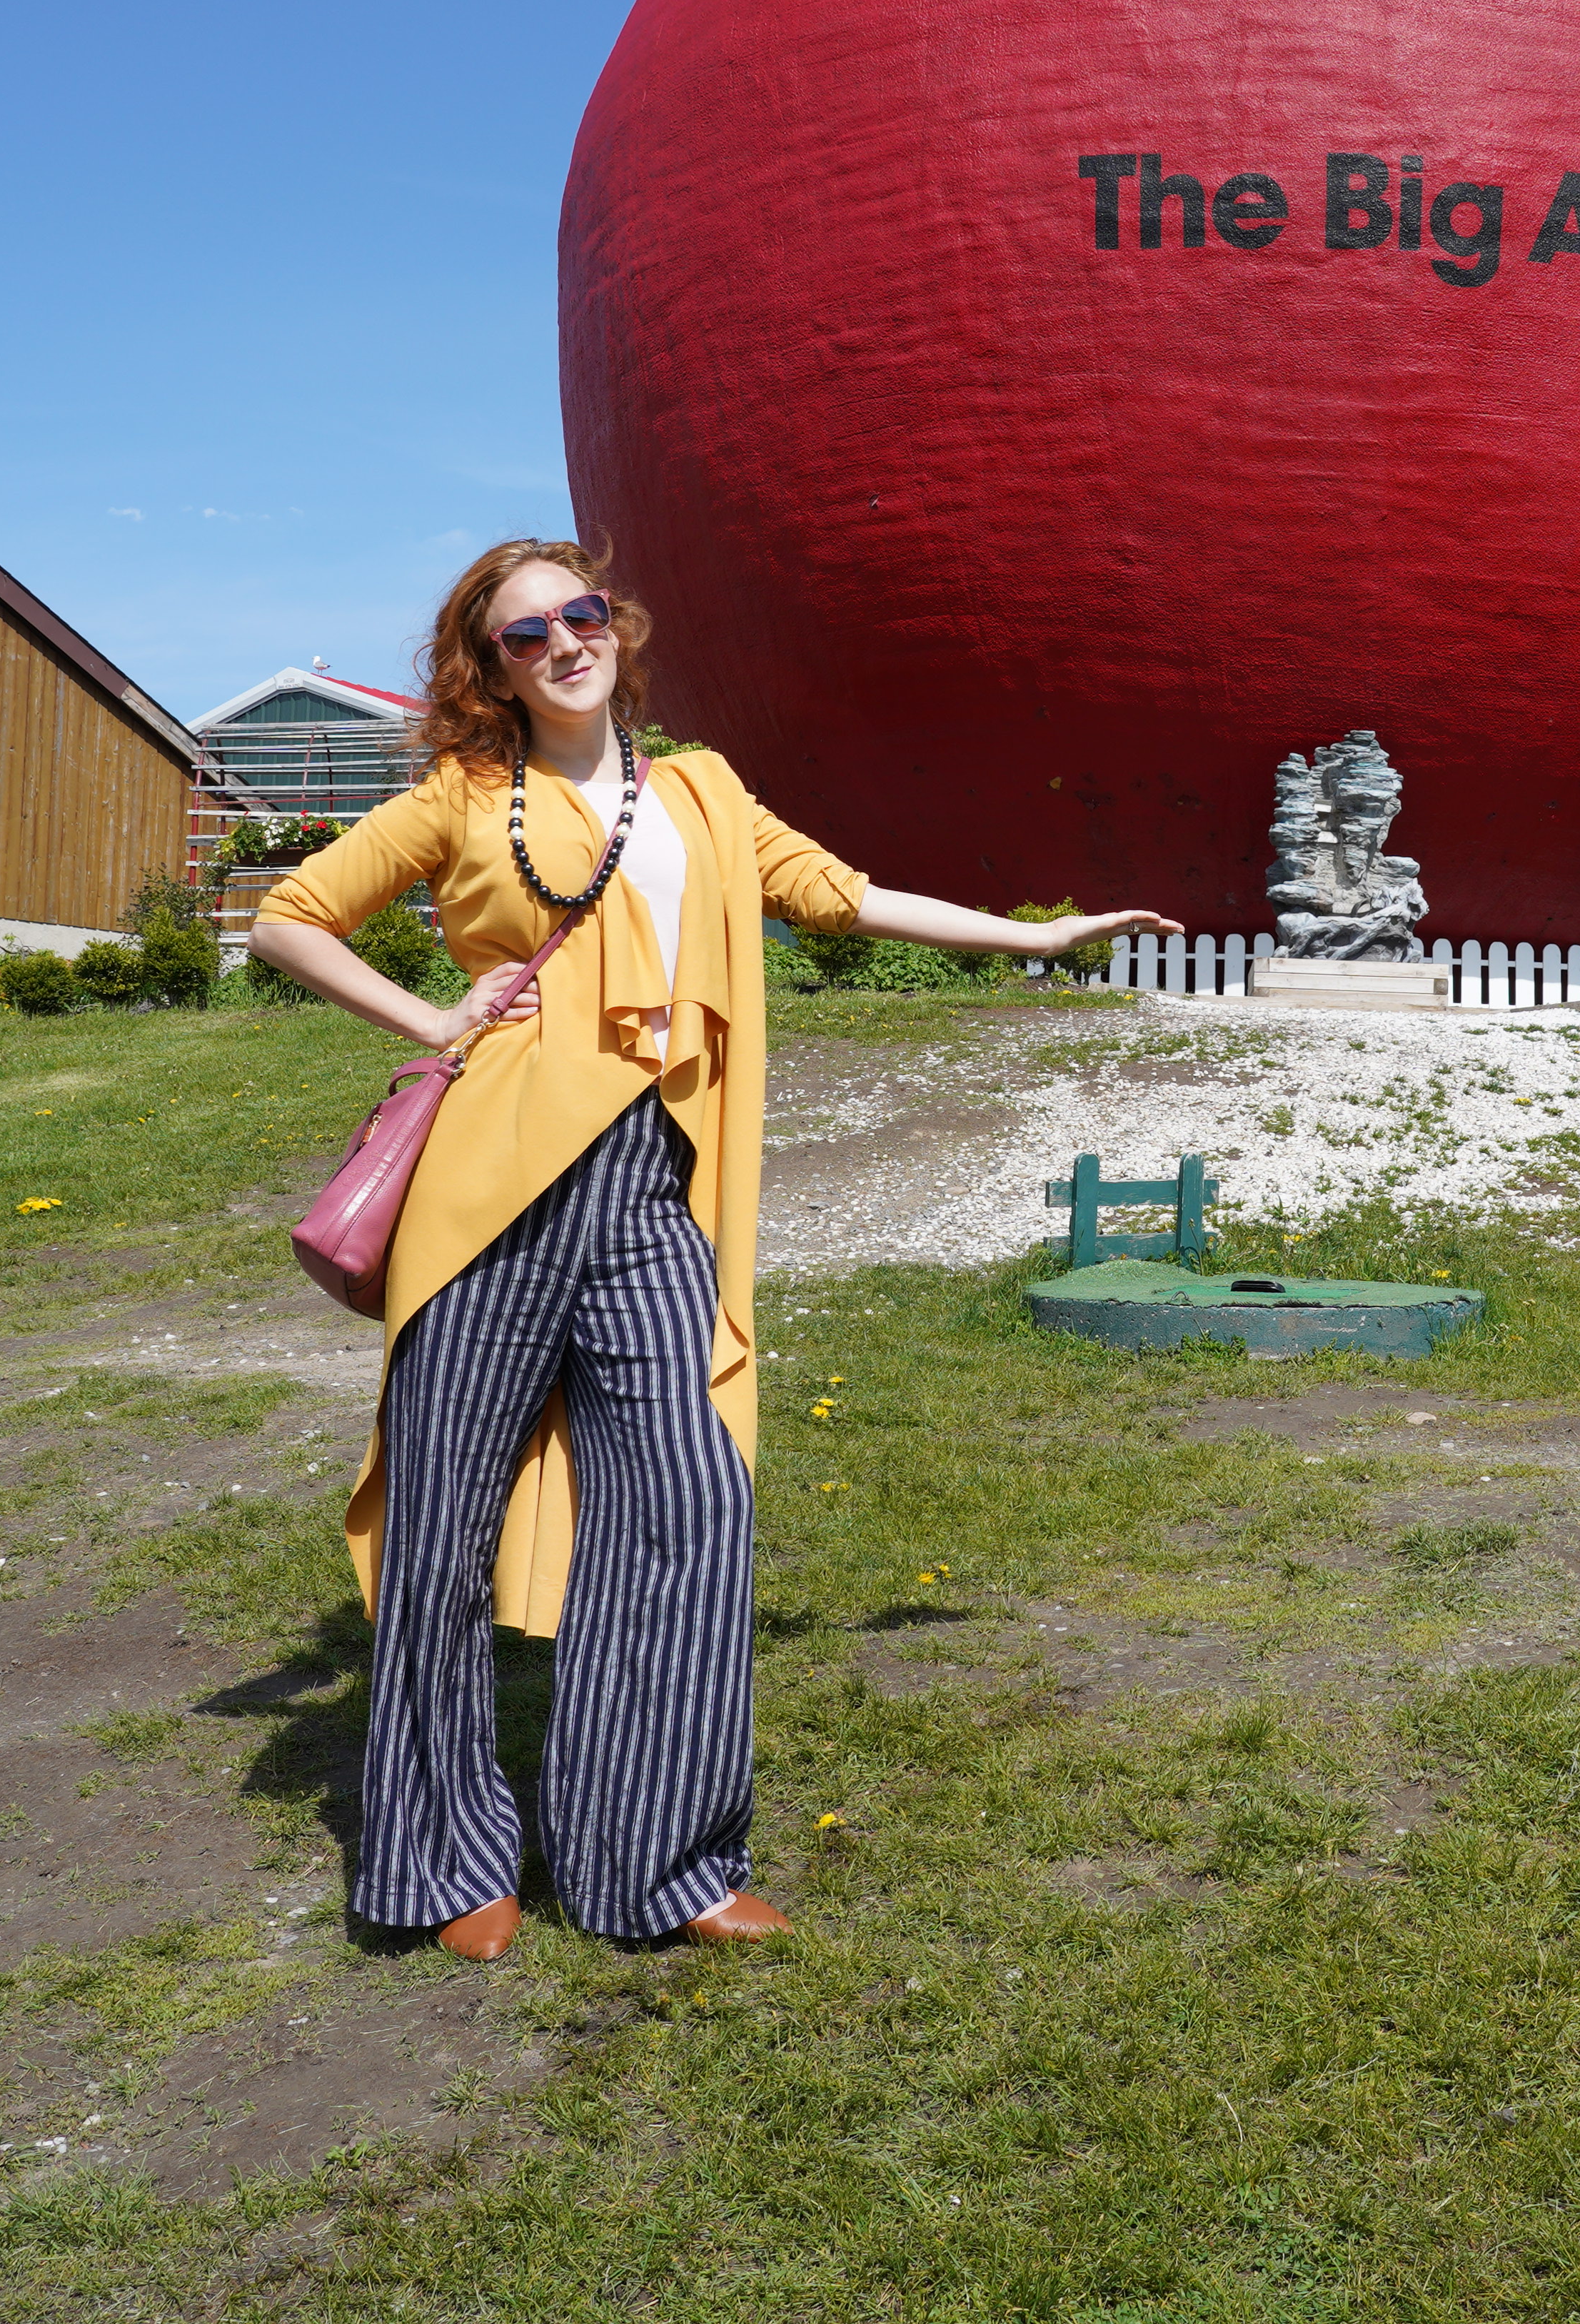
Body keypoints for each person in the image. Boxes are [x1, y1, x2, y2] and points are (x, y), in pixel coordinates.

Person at [243, 539, 1174, 1959]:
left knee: (694, 1505)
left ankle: (654, 1861)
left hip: (653, 1191)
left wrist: (1040, 939)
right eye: (524, 632)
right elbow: (288, 916)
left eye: (581, 612)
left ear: (619, 625)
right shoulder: (464, 796)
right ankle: (449, 1859)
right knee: (440, 1534)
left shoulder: (705, 791)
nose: (562, 641)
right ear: (487, 667)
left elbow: (847, 894)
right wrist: (434, 1019)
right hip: (487, 1190)